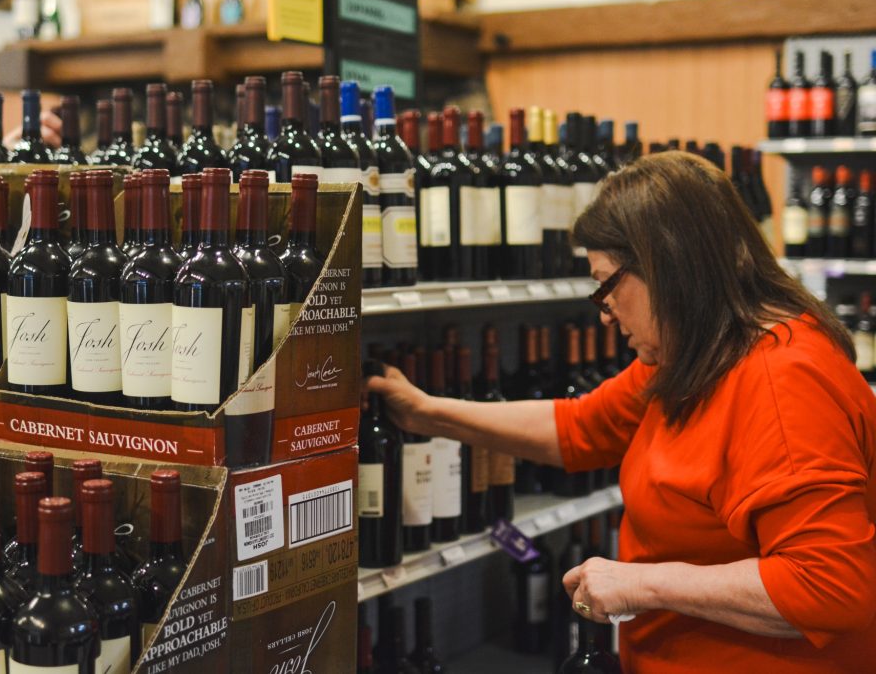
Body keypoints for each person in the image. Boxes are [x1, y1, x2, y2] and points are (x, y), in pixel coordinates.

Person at [367, 151, 876, 672]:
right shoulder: (695, 355)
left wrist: (642, 582)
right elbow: (581, 427)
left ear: (666, 266)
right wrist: (427, 414)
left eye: (606, 285)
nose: (605, 313)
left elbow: (827, 587)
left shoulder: (779, 383)